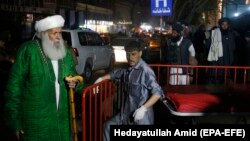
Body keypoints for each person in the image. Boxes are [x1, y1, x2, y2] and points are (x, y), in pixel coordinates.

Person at [4, 15, 84, 141]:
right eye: (54, 33)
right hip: (36, 125)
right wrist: (15, 121)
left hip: (62, 123)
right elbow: (14, 88)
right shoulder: (28, 50)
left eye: (60, 32)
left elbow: (77, 78)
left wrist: (76, 83)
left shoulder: (66, 53)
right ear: (43, 34)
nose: (58, 36)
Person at [94, 40, 164, 141]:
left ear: (140, 53)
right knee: (108, 126)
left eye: (133, 54)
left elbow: (157, 93)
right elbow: (116, 73)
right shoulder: (130, 69)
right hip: (127, 114)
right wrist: (101, 79)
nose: (130, 57)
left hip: (141, 118)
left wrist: (143, 108)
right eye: (128, 54)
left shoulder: (145, 71)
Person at [207, 17, 236, 83]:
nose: (225, 26)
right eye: (223, 24)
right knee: (215, 76)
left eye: (226, 24)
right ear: (220, 25)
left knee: (225, 77)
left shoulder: (231, 35)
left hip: (226, 59)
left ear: (228, 25)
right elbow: (208, 44)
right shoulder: (215, 33)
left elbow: (233, 47)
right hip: (216, 60)